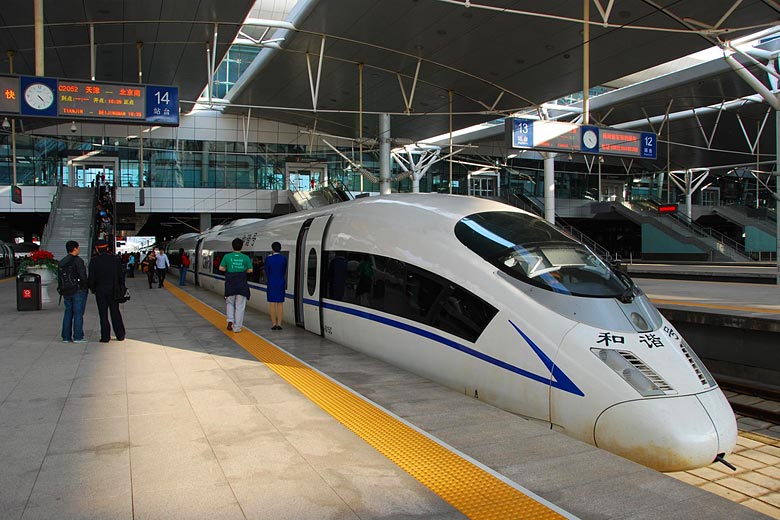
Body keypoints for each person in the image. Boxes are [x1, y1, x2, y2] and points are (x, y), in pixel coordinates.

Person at [88, 239, 126, 343]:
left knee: (103, 314)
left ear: (97, 249)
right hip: (114, 291)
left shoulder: (94, 261)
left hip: (100, 291)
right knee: (115, 312)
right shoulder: (115, 260)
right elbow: (121, 276)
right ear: (108, 248)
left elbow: (91, 279)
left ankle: (105, 337)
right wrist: (121, 288)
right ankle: (120, 335)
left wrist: (94, 289)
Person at [219, 238, 252, 333]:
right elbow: (250, 270)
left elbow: (221, 268)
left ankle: (230, 320)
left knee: (229, 303)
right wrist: (242, 270)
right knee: (240, 306)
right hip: (241, 283)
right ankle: (237, 328)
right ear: (242, 246)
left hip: (230, 283)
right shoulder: (245, 258)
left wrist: (229, 269)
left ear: (232, 246)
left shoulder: (227, 256)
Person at [59, 240, 89, 343]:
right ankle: (78, 336)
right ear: (75, 248)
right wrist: (86, 287)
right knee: (78, 313)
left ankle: (66, 337)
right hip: (78, 290)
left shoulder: (62, 261)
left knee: (68, 313)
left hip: (66, 291)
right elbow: (83, 276)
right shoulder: (78, 261)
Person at [264, 241, 287, 330]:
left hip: (271, 282)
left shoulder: (269, 259)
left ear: (272, 249)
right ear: (280, 249)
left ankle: (274, 324)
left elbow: (267, 271)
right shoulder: (283, 258)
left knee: (272, 303)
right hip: (281, 282)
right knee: (280, 303)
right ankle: (280, 323)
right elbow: (284, 270)